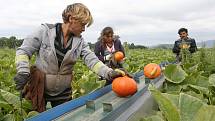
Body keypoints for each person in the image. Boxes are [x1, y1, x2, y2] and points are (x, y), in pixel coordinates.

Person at [13, 3, 125, 108]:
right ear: (71, 19)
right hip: (40, 88)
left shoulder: (80, 42)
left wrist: (109, 72)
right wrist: (23, 71)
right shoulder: (45, 31)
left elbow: (93, 61)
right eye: (82, 24)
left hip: (64, 92)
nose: (83, 29)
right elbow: (23, 51)